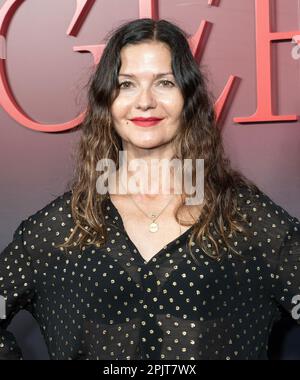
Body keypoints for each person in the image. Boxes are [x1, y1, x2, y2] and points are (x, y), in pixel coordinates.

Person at [0, 18, 299, 360]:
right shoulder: (57, 228)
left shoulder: (246, 217)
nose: (145, 102)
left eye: (164, 83)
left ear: (188, 97)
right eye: (126, 84)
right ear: (105, 100)